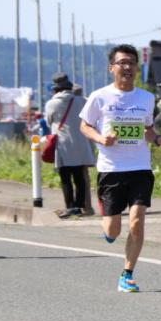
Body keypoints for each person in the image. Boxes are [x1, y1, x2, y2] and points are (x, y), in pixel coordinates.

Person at [80, 44, 161, 293]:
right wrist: (101, 139)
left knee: (137, 220)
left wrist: (159, 140)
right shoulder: (99, 96)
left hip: (140, 168)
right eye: (122, 62)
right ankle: (108, 223)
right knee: (112, 230)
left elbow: (147, 130)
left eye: (132, 62)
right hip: (111, 169)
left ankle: (127, 273)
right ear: (112, 67)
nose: (127, 66)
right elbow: (85, 126)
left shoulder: (146, 98)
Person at [45, 72, 96, 218]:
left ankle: (70, 206)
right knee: (80, 177)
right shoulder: (82, 101)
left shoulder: (52, 103)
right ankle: (80, 207)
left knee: (65, 178)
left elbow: (49, 121)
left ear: (55, 90)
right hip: (81, 144)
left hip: (64, 145)